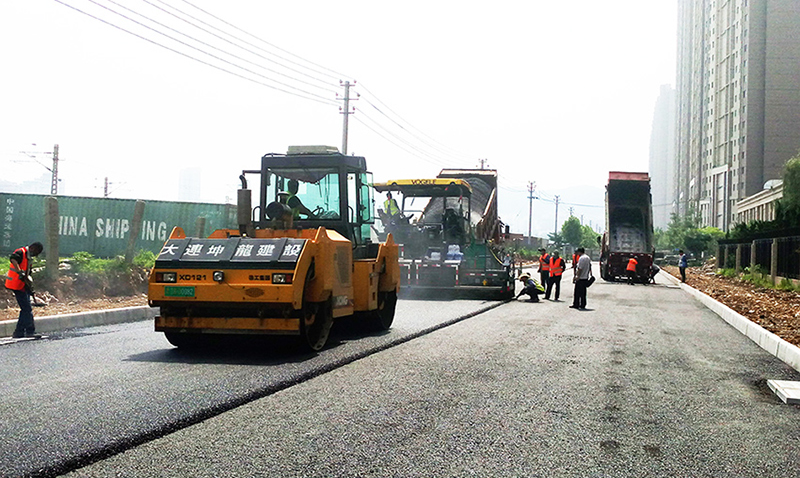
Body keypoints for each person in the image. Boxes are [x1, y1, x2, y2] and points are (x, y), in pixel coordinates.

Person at [6, 242, 44, 338]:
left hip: (22, 285)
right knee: (27, 309)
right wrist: (19, 272)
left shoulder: (28, 258)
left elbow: (27, 274)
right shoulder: (21, 252)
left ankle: (19, 332)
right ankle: (29, 331)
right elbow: (13, 259)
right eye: (36, 252)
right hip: (16, 284)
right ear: (32, 248)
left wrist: (30, 287)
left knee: (25, 309)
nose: (35, 255)